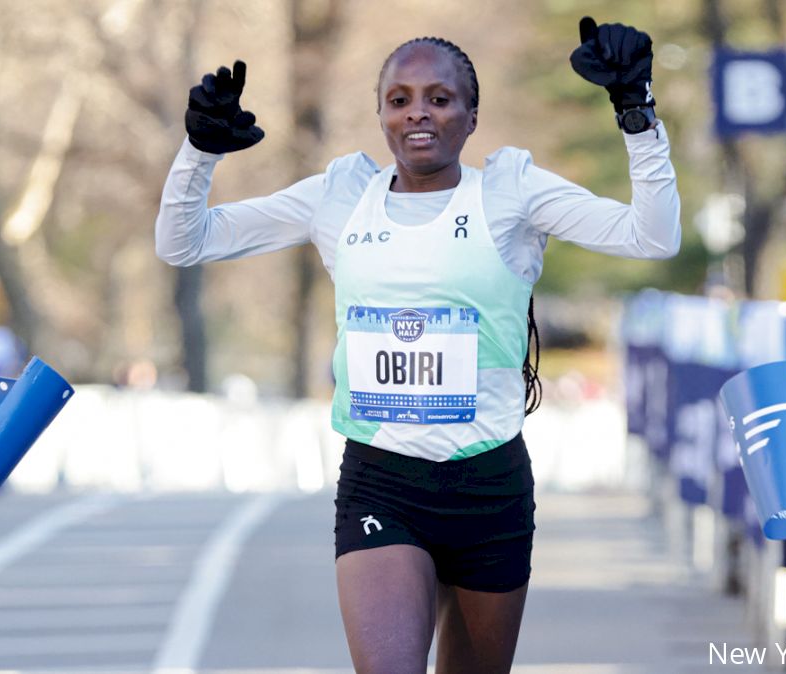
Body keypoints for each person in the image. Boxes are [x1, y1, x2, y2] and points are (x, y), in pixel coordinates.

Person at [155, 16, 680, 674]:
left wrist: (637, 111)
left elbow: (651, 237)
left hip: (488, 482)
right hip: (383, 480)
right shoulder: (341, 198)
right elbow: (184, 241)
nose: (418, 114)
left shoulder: (511, 193)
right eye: (399, 100)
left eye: (440, 98)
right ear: (379, 115)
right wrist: (198, 152)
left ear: (472, 115)